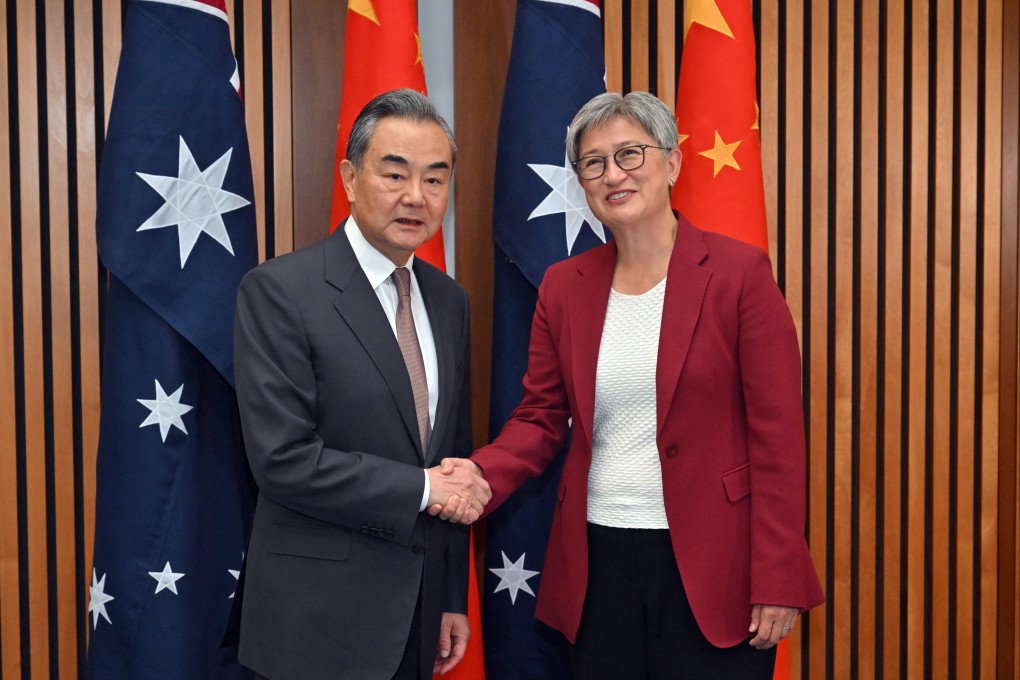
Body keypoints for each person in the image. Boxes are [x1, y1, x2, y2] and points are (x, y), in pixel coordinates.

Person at [435, 91, 824, 679]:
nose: (612, 174)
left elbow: (779, 441)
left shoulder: (739, 274)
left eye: (629, 154)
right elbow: (540, 417)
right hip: (598, 564)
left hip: (715, 566)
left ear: (671, 163)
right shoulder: (564, 287)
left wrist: (778, 574)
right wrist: (483, 473)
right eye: (593, 163)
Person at [232, 89, 489, 680]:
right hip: (316, 620)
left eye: (434, 179)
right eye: (394, 173)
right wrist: (423, 487)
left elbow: (451, 454)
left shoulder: (450, 301)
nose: (414, 197)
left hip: (419, 613)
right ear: (350, 178)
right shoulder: (280, 292)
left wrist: (450, 593)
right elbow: (283, 460)